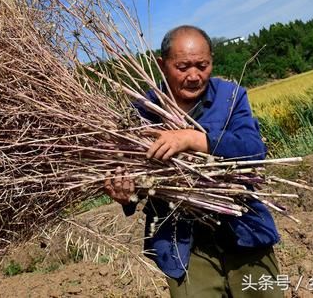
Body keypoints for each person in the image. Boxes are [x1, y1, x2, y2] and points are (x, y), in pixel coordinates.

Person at [104, 25, 282, 298]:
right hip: (183, 247)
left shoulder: (230, 96)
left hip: (245, 234)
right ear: (162, 65)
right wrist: (125, 194)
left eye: (203, 65)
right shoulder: (142, 112)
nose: (194, 76)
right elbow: (131, 177)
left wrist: (193, 139)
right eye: (183, 67)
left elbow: (253, 149)